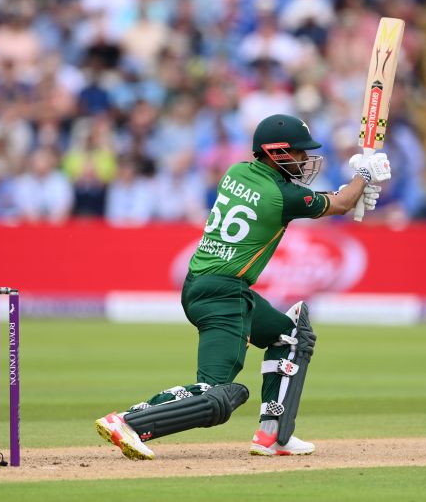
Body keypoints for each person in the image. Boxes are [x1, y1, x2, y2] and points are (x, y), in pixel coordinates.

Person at [95, 114, 390, 459]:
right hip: (223, 294)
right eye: (298, 153)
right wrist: (363, 177)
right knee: (216, 392)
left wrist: (353, 189)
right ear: (276, 153)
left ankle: (274, 435)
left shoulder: (236, 172)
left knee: (291, 336)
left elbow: (326, 200)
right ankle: (129, 421)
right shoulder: (280, 195)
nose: (304, 160)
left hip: (204, 286)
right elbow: (337, 204)